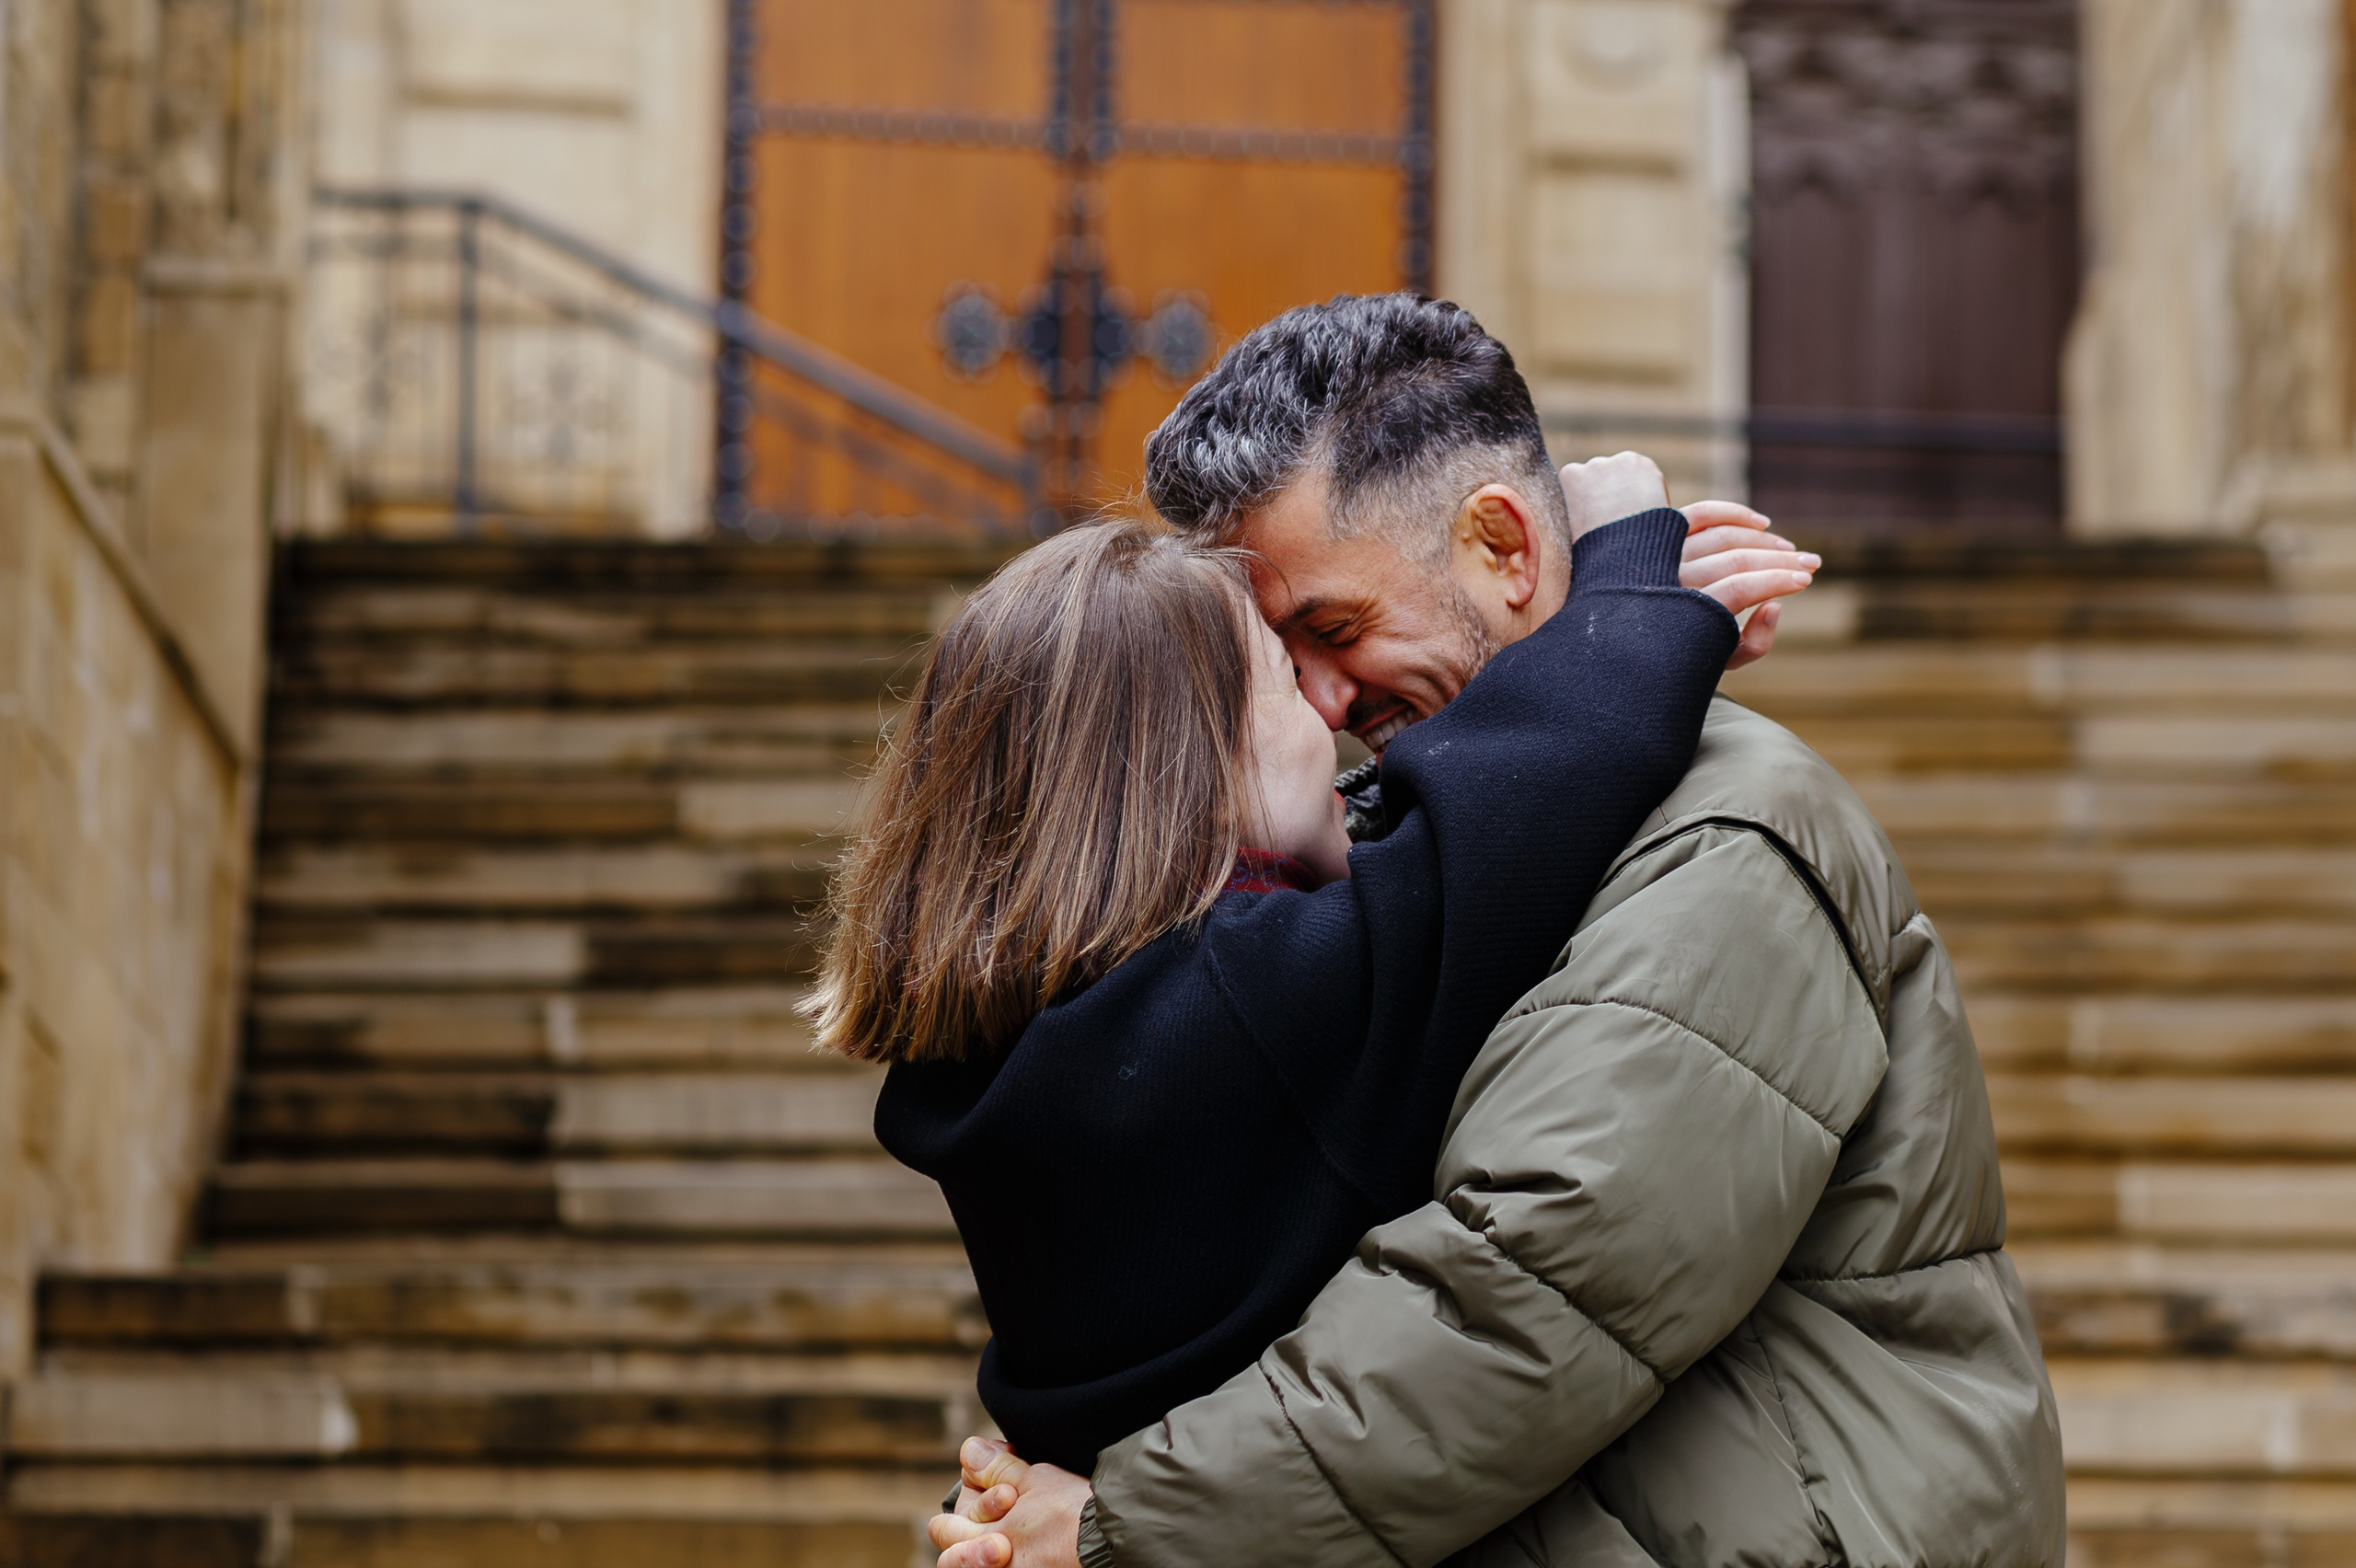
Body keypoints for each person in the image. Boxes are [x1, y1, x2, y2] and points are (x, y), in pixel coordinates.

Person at [929, 294, 2065, 1568]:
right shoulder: (1402, 840)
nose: (1319, 698)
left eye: (1334, 631)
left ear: (1504, 547)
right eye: (1276, 660)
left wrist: (1124, 1525)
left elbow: (1529, 1287)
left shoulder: (1728, 832)